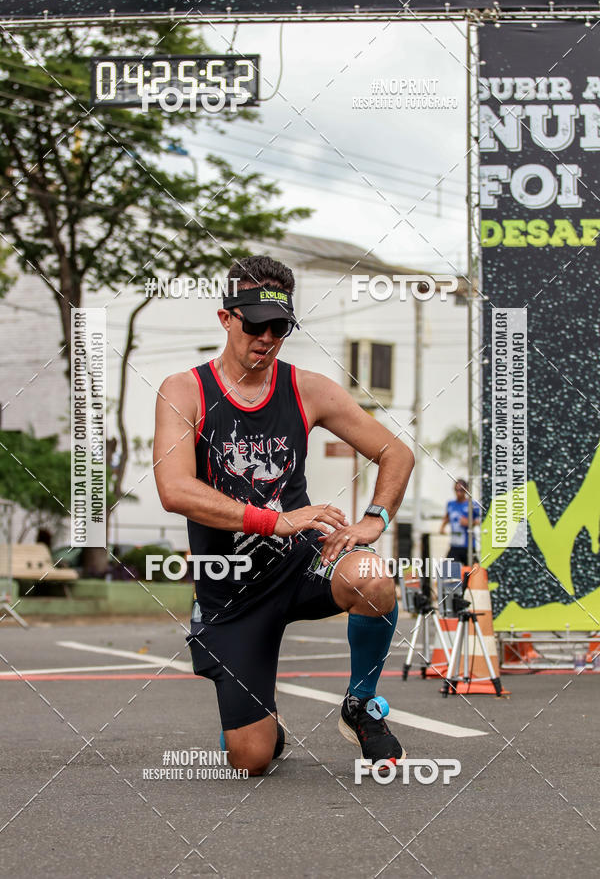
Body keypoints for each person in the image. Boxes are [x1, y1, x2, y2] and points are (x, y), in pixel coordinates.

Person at [153, 255, 414, 776]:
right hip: (229, 588)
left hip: (301, 567)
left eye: (280, 327)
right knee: (251, 761)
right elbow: (174, 488)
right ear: (226, 317)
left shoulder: (307, 388)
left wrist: (374, 521)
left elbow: (396, 453)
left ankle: (360, 705)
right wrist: (276, 520)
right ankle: (264, 723)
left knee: (373, 578)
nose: (267, 337)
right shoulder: (184, 390)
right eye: (255, 323)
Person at [440, 479, 480, 566]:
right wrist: (442, 527)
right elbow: (447, 517)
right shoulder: (450, 504)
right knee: (449, 569)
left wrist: (470, 522)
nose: (458, 493)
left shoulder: (472, 504)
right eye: (456, 490)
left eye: (461, 490)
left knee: (473, 571)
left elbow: (480, 520)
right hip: (454, 545)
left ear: (466, 490)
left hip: (468, 546)